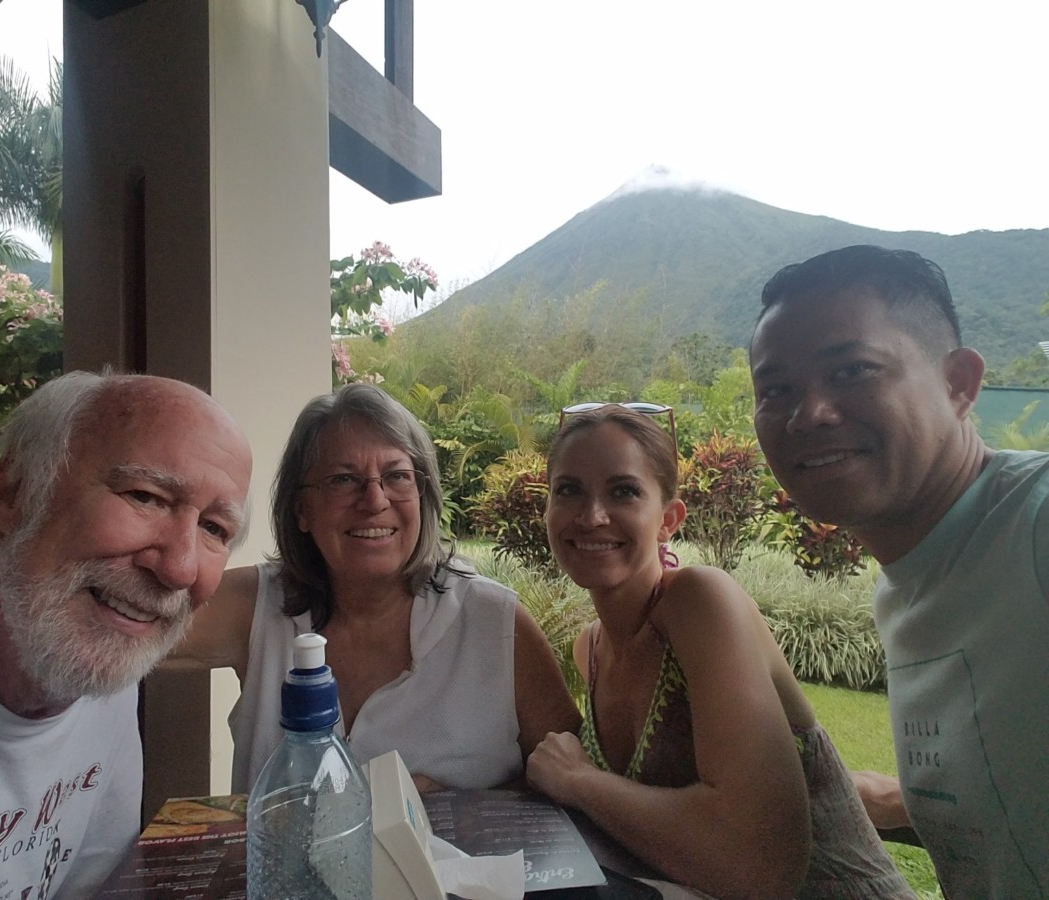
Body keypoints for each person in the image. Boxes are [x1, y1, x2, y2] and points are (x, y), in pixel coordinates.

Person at [0, 371, 253, 899]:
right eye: (146, 496)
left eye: (214, 529)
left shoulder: (98, 664)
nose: (180, 568)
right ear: (11, 493)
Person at [750, 245, 1049, 897]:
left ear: (959, 384)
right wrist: (894, 800)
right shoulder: (908, 583)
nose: (810, 413)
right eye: (776, 391)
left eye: (853, 370)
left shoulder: (1034, 521)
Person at [525, 404, 913, 899]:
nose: (591, 516)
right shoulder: (590, 650)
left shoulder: (699, 601)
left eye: (623, 491)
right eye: (568, 490)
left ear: (668, 520)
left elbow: (755, 867)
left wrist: (579, 780)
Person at [176, 382, 581, 792]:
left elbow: (572, 783)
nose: (374, 500)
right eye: (343, 479)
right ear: (301, 510)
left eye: (397, 476)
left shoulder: (494, 621)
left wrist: (458, 805)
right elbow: (132, 630)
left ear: (422, 496)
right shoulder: (254, 606)